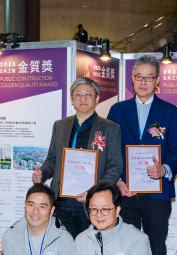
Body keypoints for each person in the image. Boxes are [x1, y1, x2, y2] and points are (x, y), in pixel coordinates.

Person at [107, 54, 177, 255]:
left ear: (157, 80)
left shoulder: (171, 112)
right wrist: (117, 180)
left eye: (149, 77)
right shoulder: (117, 110)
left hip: (157, 195)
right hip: (125, 193)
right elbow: (109, 151)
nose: (143, 82)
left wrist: (164, 168)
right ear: (132, 79)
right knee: (125, 253)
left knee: (156, 253)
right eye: (139, 77)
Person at [33, 77, 122, 237]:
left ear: (97, 99)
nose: (83, 99)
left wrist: (95, 192)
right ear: (72, 99)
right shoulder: (60, 125)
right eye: (78, 95)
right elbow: (52, 159)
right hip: (60, 204)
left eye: (88, 95)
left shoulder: (110, 128)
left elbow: (115, 166)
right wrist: (42, 173)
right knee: (61, 249)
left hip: (90, 207)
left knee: (89, 249)